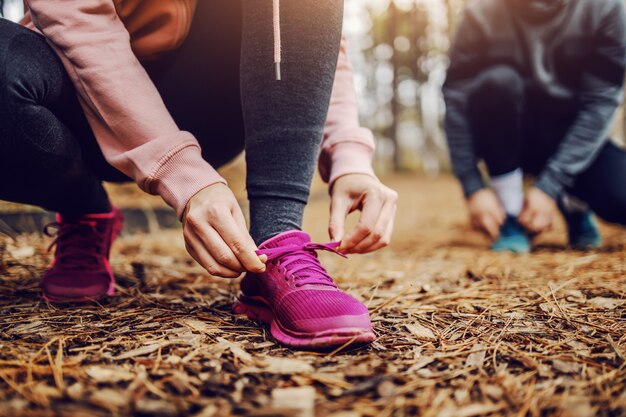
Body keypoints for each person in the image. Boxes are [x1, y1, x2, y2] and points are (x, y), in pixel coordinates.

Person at [0, 0, 397, 349]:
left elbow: (304, 35)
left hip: (208, 104)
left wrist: (348, 154)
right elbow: (80, 24)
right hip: (71, 95)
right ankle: (83, 208)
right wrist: (180, 172)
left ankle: (276, 237)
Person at [443, 0, 626, 253]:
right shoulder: (480, 13)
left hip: (573, 139)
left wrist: (549, 188)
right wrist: (473, 187)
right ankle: (510, 213)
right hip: (509, 138)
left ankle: (573, 202)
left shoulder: (606, 8)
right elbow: (457, 102)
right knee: (498, 83)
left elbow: (599, 105)